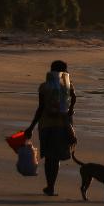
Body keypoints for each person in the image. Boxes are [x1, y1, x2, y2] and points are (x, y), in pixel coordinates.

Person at [25, 59, 77, 196]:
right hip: (63, 126)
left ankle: (50, 186)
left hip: (46, 126)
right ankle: (51, 186)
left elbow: (41, 108)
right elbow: (74, 97)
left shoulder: (44, 87)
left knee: (49, 157)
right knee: (56, 158)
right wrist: (71, 108)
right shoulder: (68, 86)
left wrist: (31, 127)